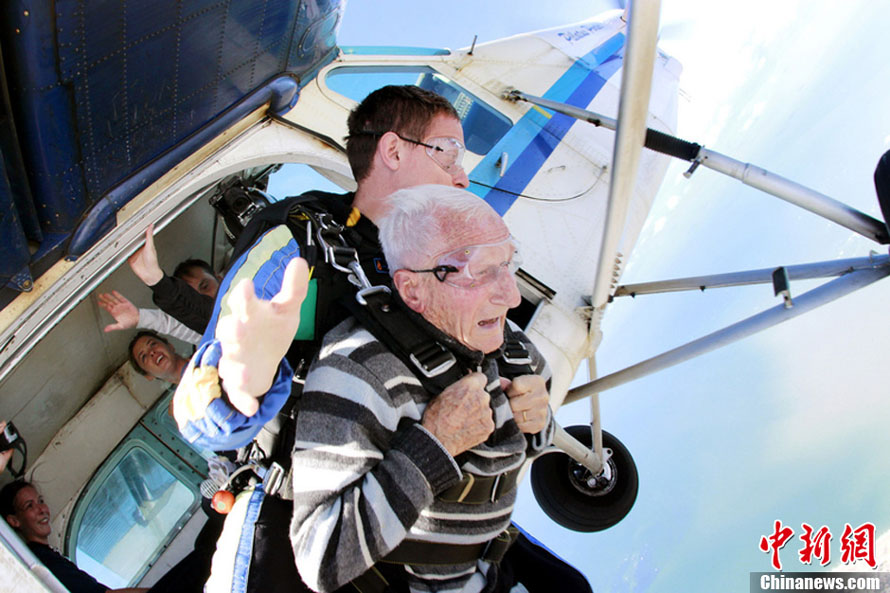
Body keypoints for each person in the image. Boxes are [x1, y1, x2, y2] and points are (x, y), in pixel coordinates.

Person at [217, 186, 590, 592]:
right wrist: (435, 443)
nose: (511, 295)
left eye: (507, 265)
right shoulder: (359, 370)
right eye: (481, 271)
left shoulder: (513, 345)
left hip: (498, 565)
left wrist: (539, 423)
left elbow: (529, 442)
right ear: (412, 289)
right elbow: (319, 556)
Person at [174, 84, 469, 450]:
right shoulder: (300, 238)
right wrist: (240, 384)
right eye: (448, 153)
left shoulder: (443, 265)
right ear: (393, 150)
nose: (462, 177)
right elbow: (200, 411)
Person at [0, 480, 149, 593]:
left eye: (40, 501)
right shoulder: (45, 561)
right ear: (14, 520)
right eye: (29, 506)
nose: (41, 509)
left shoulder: (49, 554)